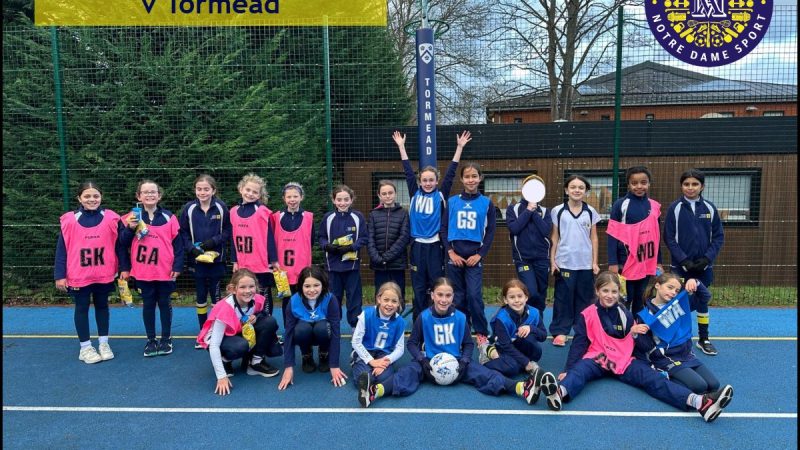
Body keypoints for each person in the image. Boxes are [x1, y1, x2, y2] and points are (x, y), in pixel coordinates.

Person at [553, 272, 733, 422]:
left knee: (654, 380)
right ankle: (559, 393)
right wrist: (568, 369)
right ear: (597, 291)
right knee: (579, 372)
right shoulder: (587, 314)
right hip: (598, 358)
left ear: (619, 293)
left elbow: (634, 343)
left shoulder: (624, 313)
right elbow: (579, 344)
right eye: (605, 291)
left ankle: (700, 403)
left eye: (614, 291)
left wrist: (635, 335)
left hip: (622, 360)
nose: (610, 295)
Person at [357, 277, 559, 409]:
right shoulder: (424, 317)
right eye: (440, 295)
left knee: (484, 373)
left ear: (453, 297)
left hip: (455, 364)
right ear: (433, 295)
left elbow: (468, 344)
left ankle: (523, 388)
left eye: (448, 295)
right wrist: (421, 359)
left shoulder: (461, 318)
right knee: (407, 372)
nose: (444, 299)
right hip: (429, 364)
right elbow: (412, 344)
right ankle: (374, 392)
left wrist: (463, 360)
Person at [394, 130, 470, 321]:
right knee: (418, 286)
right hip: (418, 247)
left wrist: (459, 147)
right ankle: (419, 323)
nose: (428, 183)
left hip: (436, 247)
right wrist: (401, 147)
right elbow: (407, 171)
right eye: (424, 180)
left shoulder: (441, 194)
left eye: (431, 180)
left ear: (436, 181)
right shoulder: (415, 192)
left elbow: (452, 172)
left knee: (436, 285)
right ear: (420, 182)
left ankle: (437, 318)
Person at [54, 181, 125, 364]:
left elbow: (120, 245)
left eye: (95, 196)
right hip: (79, 274)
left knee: (103, 307)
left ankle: (103, 343)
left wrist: (124, 267)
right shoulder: (70, 219)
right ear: (79, 198)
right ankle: (85, 347)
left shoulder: (111, 218)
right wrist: (60, 275)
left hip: (104, 272)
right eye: (87, 196)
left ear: (101, 197)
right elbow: (62, 250)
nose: (92, 199)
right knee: (82, 308)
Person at [119, 180, 184, 357]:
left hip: (165, 271)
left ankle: (166, 338)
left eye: (153, 192)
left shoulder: (169, 217)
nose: (149, 195)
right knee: (148, 305)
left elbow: (178, 245)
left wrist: (178, 265)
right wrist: (130, 229)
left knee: (164, 303)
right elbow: (122, 243)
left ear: (159, 195)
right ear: (138, 196)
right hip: (142, 272)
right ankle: (151, 340)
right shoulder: (130, 218)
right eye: (145, 192)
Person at [664, 169, 724, 355]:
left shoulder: (710, 208)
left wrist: (706, 259)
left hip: (703, 267)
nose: (690, 188)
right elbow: (669, 238)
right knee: (677, 302)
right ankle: (676, 338)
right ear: (681, 186)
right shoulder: (675, 208)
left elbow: (718, 237)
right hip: (681, 268)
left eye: (695, 184)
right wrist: (684, 260)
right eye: (686, 184)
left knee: (701, 301)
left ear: (702, 186)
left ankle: (704, 339)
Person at [197, 269, 281, 396]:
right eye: (242, 287)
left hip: (238, 332)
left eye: (251, 286)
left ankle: (255, 362)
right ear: (233, 289)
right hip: (220, 340)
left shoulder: (257, 300)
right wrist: (221, 377)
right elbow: (214, 344)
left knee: (269, 322)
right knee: (240, 346)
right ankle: (225, 360)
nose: (248, 291)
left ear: (256, 287)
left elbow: (260, 316)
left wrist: (256, 317)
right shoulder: (225, 307)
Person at [635, 273, 723, 393]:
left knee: (714, 385)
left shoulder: (679, 304)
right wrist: (636, 334)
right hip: (666, 357)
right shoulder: (646, 315)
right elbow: (645, 346)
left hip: (686, 354)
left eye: (676, 291)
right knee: (699, 387)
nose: (673, 293)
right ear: (657, 285)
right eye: (669, 287)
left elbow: (705, 297)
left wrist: (695, 281)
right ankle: (663, 375)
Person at [442, 162, 496, 352]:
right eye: (467, 176)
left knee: (474, 295)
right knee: (457, 297)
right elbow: (444, 228)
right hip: (454, 255)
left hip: (474, 257)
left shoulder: (487, 203)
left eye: (474, 176)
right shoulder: (452, 201)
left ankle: (481, 333)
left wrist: (480, 255)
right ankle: (462, 332)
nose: (471, 180)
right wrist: (450, 252)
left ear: (480, 178)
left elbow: (490, 232)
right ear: (462, 179)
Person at [179, 174, 231, 347]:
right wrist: (192, 249)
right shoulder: (189, 208)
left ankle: (215, 333)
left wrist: (212, 242)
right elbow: (183, 233)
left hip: (217, 261)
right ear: (195, 190)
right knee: (201, 297)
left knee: (216, 298)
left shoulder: (221, 207)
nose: (202, 192)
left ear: (213, 190)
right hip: (197, 261)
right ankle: (203, 332)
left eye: (206, 189)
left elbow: (227, 232)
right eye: (199, 189)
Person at [549, 175, 601, 347]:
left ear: (585, 191)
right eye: (573, 187)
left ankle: (583, 331)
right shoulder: (558, 211)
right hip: (564, 262)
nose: (577, 190)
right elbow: (555, 237)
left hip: (585, 263)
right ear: (566, 190)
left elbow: (594, 238)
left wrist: (594, 262)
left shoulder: (591, 211)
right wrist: (552, 261)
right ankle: (560, 332)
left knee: (585, 299)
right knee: (563, 298)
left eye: (580, 187)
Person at [278, 266, 348, 390]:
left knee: (322, 328)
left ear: (323, 285)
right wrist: (288, 366)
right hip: (304, 332)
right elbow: (288, 334)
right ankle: (306, 355)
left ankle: (324, 353)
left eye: (316, 285)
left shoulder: (330, 299)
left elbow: (336, 333)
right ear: (301, 286)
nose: (312, 290)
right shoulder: (293, 301)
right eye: (307, 286)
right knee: (300, 330)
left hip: (322, 332)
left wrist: (334, 365)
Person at [480, 280, 553, 396]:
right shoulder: (502, 318)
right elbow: (506, 346)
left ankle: (523, 364)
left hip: (521, 345)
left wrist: (531, 328)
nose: (517, 300)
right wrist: (526, 362)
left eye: (520, 296)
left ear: (526, 297)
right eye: (512, 297)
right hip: (504, 348)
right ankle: (487, 352)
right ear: (505, 300)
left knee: (537, 352)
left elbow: (543, 336)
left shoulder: (534, 313)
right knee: (512, 368)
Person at [607, 166, 663, 315]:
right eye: (634, 183)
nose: (639, 186)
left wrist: (658, 261)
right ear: (629, 184)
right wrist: (613, 262)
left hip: (646, 261)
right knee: (625, 298)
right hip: (625, 261)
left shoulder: (654, 206)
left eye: (643, 182)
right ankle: (621, 332)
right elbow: (612, 235)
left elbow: (656, 236)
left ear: (649, 183)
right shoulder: (621, 205)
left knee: (641, 298)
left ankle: (639, 332)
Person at [230, 173, 279, 317]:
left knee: (263, 295)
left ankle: (268, 328)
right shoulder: (233, 211)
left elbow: (270, 238)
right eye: (248, 190)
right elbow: (233, 239)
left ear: (259, 195)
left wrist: (273, 260)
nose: (250, 194)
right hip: (243, 264)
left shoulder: (263, 211)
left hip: (261, 264)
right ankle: (247, 329)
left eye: (255, 192)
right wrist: (235, 260)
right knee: (244, 296)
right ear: (241, 189)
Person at [318, 185, 367, 329]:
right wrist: (327, 246)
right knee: (333, 299)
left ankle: (355, 330)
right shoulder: (328, 218)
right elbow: (321, 237)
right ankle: (334, 327)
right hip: (332, 268)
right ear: (333, 200)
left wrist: (352, 247)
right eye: (339, 199)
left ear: (351, 200)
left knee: (354, 300)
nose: (342, 203)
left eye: (346, 199)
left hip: (351, 267)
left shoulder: (358, 217)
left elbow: (364, 237)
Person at [506, 178, 552, 318]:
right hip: (523, 259)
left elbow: (545, 231)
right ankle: (528, 319)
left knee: (541, 291)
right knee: (530, 291)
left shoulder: (544, 211)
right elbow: (514, 228)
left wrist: (534, 212)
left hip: (542, 259)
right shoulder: (513, 209)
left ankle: (538, 322)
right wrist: (528, 210)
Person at [351, 282, 405, 399]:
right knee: (362, 378)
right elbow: (356, 342)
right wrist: (371, 361)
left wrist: (386, 362)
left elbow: (400, 349)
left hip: (383, 354)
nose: (389, 304)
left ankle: (371, 384)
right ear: (379, 298)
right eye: (386, 300)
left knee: (384, 378)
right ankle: (357, 363)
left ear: (398, 303)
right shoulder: (367, 314)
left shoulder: (400, 322)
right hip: (366, 351)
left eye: (394, 301)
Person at [272, 182, 314, 322]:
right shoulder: (277, 217)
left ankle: (303, 328)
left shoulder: (308, 217)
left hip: (302, 268)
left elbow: (311, 240)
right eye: (289, 196)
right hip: (283, 269)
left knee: (303, 298)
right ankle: (289, 329)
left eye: (295, 196)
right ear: (284, 198)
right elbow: (271, 240)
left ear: (301, 197)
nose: (292, 199)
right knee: (287, 301)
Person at [367, 180, 410, 302]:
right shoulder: (374, 214)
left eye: (390, 192)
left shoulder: (403, 213)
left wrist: (386, 257)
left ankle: (397, 320)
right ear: (379, 195)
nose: (387, 196)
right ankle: (381, 320)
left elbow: (404, 238)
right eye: (384, 193)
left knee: (398, 294)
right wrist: (377, 258)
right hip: (379, 265)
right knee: (381, 294)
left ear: (395, 194)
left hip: (397, 264)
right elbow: (370, 238)